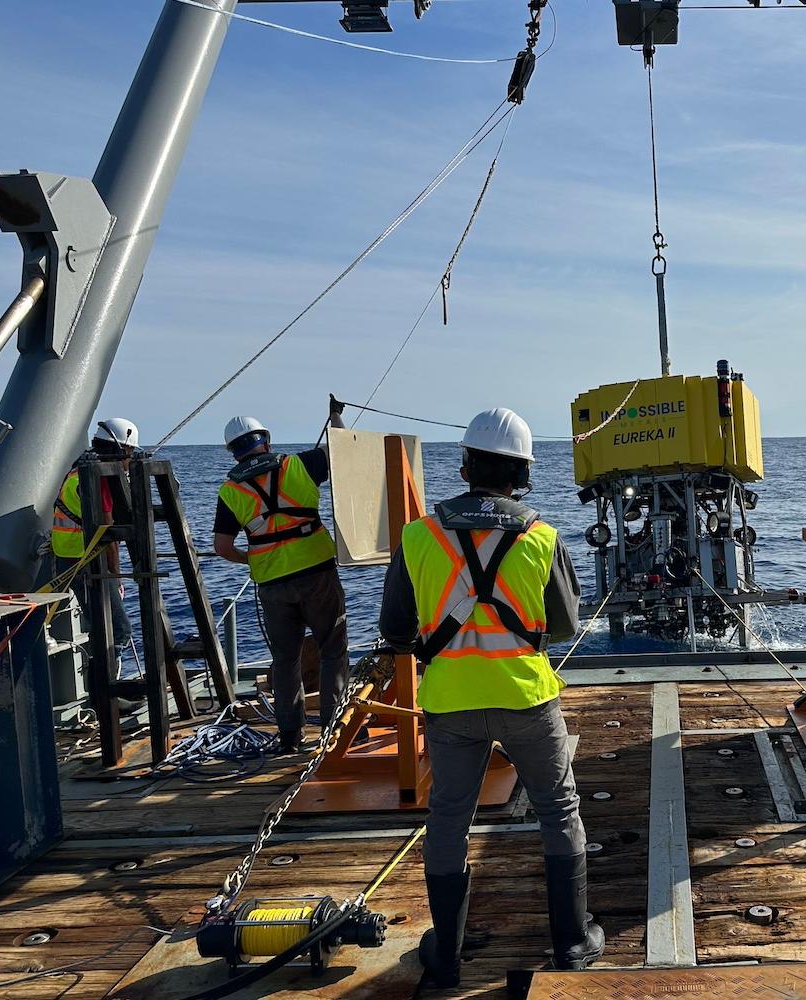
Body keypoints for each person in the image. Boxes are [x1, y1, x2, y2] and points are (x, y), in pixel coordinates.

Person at [378, 407, 600, 986]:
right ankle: (573, 944)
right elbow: (563, 624)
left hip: (450, 702)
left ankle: (446, 959)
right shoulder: (543, 536)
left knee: (449, 819)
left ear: (466, 465)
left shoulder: (417, 536)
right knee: (559, 809)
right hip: (527, 698)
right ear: (521, 474)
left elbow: (396, 629)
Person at [212, 415, 348, 752]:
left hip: (273, 584)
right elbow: (344, 450)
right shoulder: (299, 465)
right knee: (332, 649)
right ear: (267, 441)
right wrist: (336, 418)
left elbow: (223, 547)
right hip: (317, 572)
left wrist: (255, 557)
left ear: (233, 453)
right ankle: (336, 729)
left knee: (286, 659)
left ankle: (290, 736)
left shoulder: (230, 491)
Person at [52, 418, 139, 683]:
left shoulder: (77, 469)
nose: (129, 460)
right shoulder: (100, 478)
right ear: (121, 448)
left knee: (98, 627)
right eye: (130, 453)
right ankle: (105, 692)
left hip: (69, 557)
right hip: (88, 560)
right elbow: (108, 531)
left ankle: (100, 691)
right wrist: (116, 573)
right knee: (118, 631)